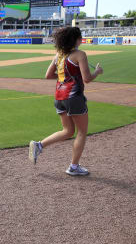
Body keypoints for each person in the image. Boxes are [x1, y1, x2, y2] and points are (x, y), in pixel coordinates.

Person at [29, 27, 103, 176]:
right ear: (75, 39)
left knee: (68, 131)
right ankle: (74, 167)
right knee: (81, 132)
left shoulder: (59, 55)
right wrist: (97, 72)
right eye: (80, 37)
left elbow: (48, 75)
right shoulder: (80, 55)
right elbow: (87, 79)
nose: (81, 40)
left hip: (59, 97)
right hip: (74, 97)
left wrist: (65, 76)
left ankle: (39, 145)